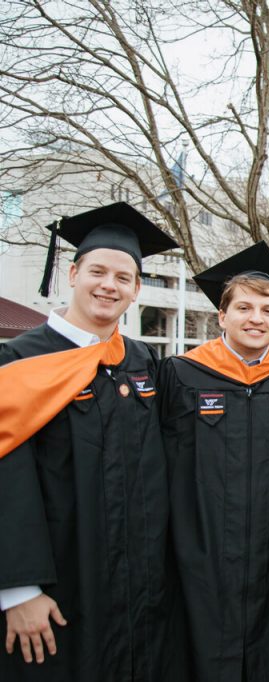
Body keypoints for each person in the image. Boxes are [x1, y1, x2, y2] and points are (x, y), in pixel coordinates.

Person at [0, 203, 185, 681]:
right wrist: (18, 590)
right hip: (60, 585)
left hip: (139, 588)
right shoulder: (19, 363)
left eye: (123, 277)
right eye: (98, 272)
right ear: (72, 272)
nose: (109, 285)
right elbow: (6, 477)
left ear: (137, 289)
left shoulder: (143, 362)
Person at [158, 242, 269, 681]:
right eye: (245, 308)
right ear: (222, 316)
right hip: (201, 549)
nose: (256, 318)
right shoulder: (180, 374)